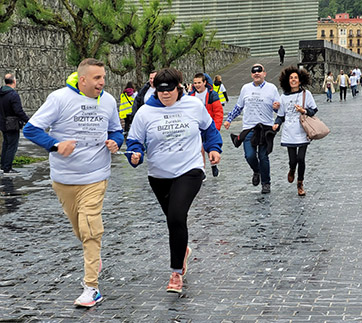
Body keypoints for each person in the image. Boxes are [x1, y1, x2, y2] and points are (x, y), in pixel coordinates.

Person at [23, 58, 124, 307]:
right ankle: (94, 255)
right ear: (83, 80)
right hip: (64, 179)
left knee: (90, 229)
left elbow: (116, 130)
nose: (103, 82)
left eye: (103, 77)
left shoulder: (109, 101)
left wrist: (116, 142)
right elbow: (31, 129)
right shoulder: (59, 99)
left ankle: (91, 287)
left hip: (96, 176)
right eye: (97, 78)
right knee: (81, 230)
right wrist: (56, 145)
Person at [126, 67, 222, 293]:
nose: (165, 95)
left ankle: (176, 272)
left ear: (179, 88)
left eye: (170, 91)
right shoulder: (144, 113)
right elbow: (134, 143)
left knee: (177, 217)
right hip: (159, 175)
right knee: (173, 220)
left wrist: (213, 148)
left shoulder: (193, 105)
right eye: (161, 92)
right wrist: (135, 155)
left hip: (190, 169)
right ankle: (182, 250)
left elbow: (209, 130)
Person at [224, 64, 280, 194]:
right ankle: (257, 171)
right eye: (254, 72)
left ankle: (266, 183)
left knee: (263, 156)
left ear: (264, 73)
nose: (257, 73)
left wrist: (276, 108)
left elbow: (278, 108)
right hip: (249, 128)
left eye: (259, 71)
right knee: (249, 155)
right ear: (251, 75)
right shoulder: (245, 88)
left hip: (265, 128)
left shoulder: (272, 88)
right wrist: (229, 119)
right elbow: (239, 107)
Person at [272, 66, 317, 196]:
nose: (293, 80)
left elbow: (314, 110)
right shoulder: (283, 97)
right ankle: (292, 169)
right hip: (289, 133)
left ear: (300, 80)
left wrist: (304, 111)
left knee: (301, 159)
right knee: (293, 160)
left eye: (295, 78)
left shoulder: (306, 94)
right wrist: (276, 124)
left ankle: (300, 183)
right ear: (287, 80)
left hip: (303, 131)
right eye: (291, 78)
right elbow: (281, 116)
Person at [189, 73, 223, 177]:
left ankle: (213, 165)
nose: (197, 85)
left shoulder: (212, 95)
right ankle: (202, 171)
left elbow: (218, 112)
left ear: (204, 82)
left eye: (199, 82)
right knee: (200, 149)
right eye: (195, 83)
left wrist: (216, 128)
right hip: (196, 127)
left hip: (209, 126)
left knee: (209, 147)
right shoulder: (191, 96)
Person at [0, 73, 29, 174]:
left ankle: (3, 165)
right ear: (14, 81)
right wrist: (28, 121)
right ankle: (7, 168)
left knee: (6, 144)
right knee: (12, 146)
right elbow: (18, 111)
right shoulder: (13, 95)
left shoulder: (1, 93)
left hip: (2, 123)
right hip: (12, 124)